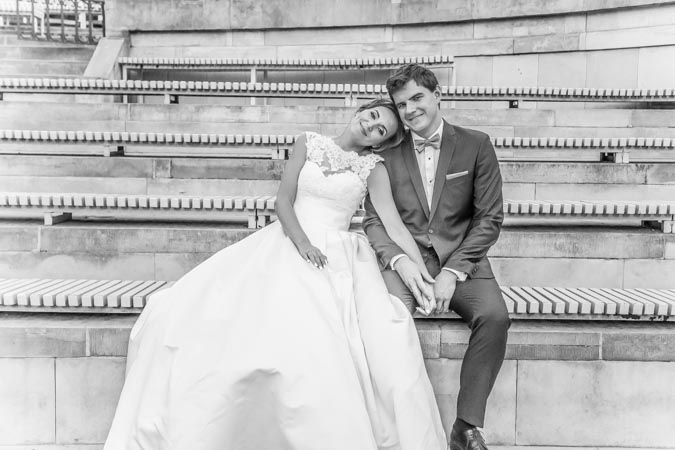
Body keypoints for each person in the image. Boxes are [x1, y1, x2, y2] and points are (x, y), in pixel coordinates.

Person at [103, 98, 447, 450]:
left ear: (381, 142)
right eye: (372, 116)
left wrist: (423, 272)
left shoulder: (371, 168)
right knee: (202, 315)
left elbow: (394, 226)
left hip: (338, 252)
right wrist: (303, 244)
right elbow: (283, 201)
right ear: (360, 111)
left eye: (380, 130)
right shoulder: (308, 143)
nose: (371, 126)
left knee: (327, 333)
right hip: (289, 239)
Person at [363, 64, 510, 450]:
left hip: (461, 260)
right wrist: (400, 262)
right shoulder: (385, 154)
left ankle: (466, 426)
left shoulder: (476, 144)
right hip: (407, 260)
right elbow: (374, 221)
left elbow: (489, 218)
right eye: (401, 104)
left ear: (437, 95)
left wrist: (453, 271)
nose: (410, 109)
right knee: (387, 316)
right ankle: (387, 425)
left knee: (495, 317)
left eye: (417, 98)